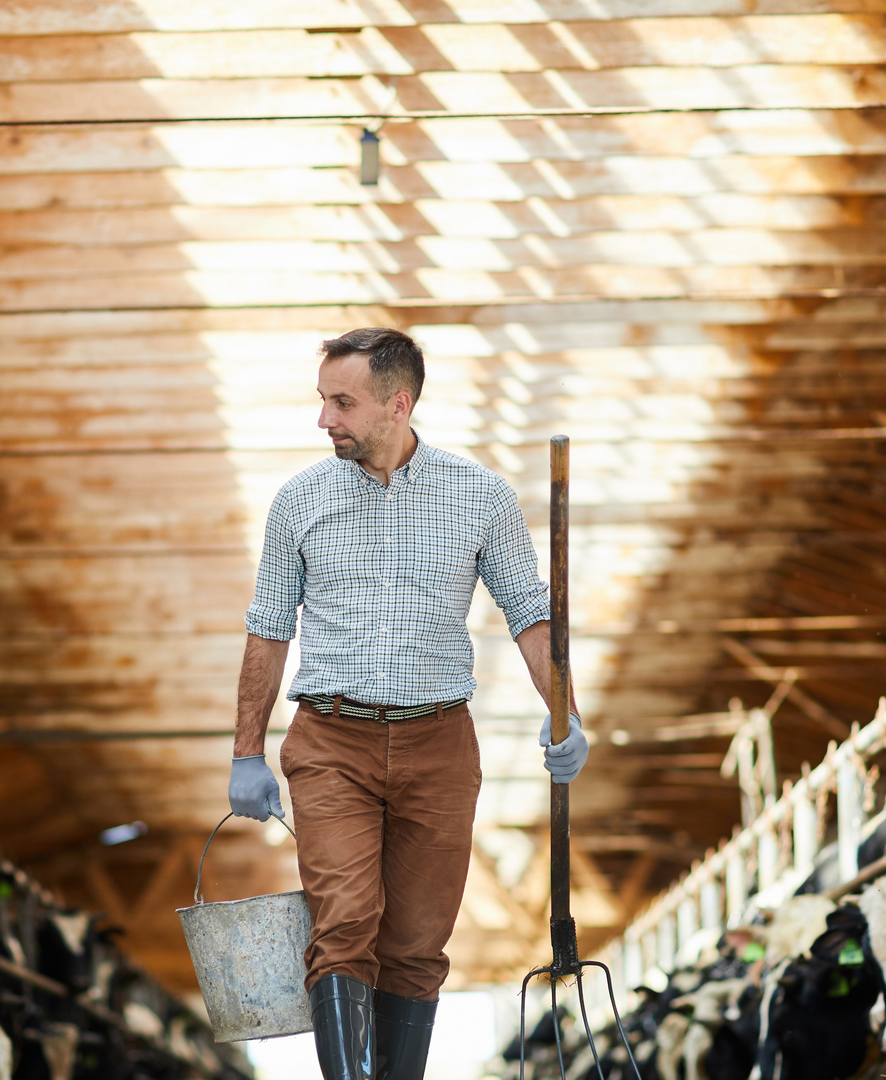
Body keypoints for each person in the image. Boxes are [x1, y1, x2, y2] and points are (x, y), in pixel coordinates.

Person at [227, 327, 589, 1080]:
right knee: (345, 925)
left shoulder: (480, 496)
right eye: (323, 399)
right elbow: (266, 630)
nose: (324, 419)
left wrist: (567, 714)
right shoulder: (299, 502)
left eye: (341, 402)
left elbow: (531, 614)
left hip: (439, 747)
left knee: (418, 949)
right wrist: (246, 753)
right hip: (331, 742)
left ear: (399, 403)